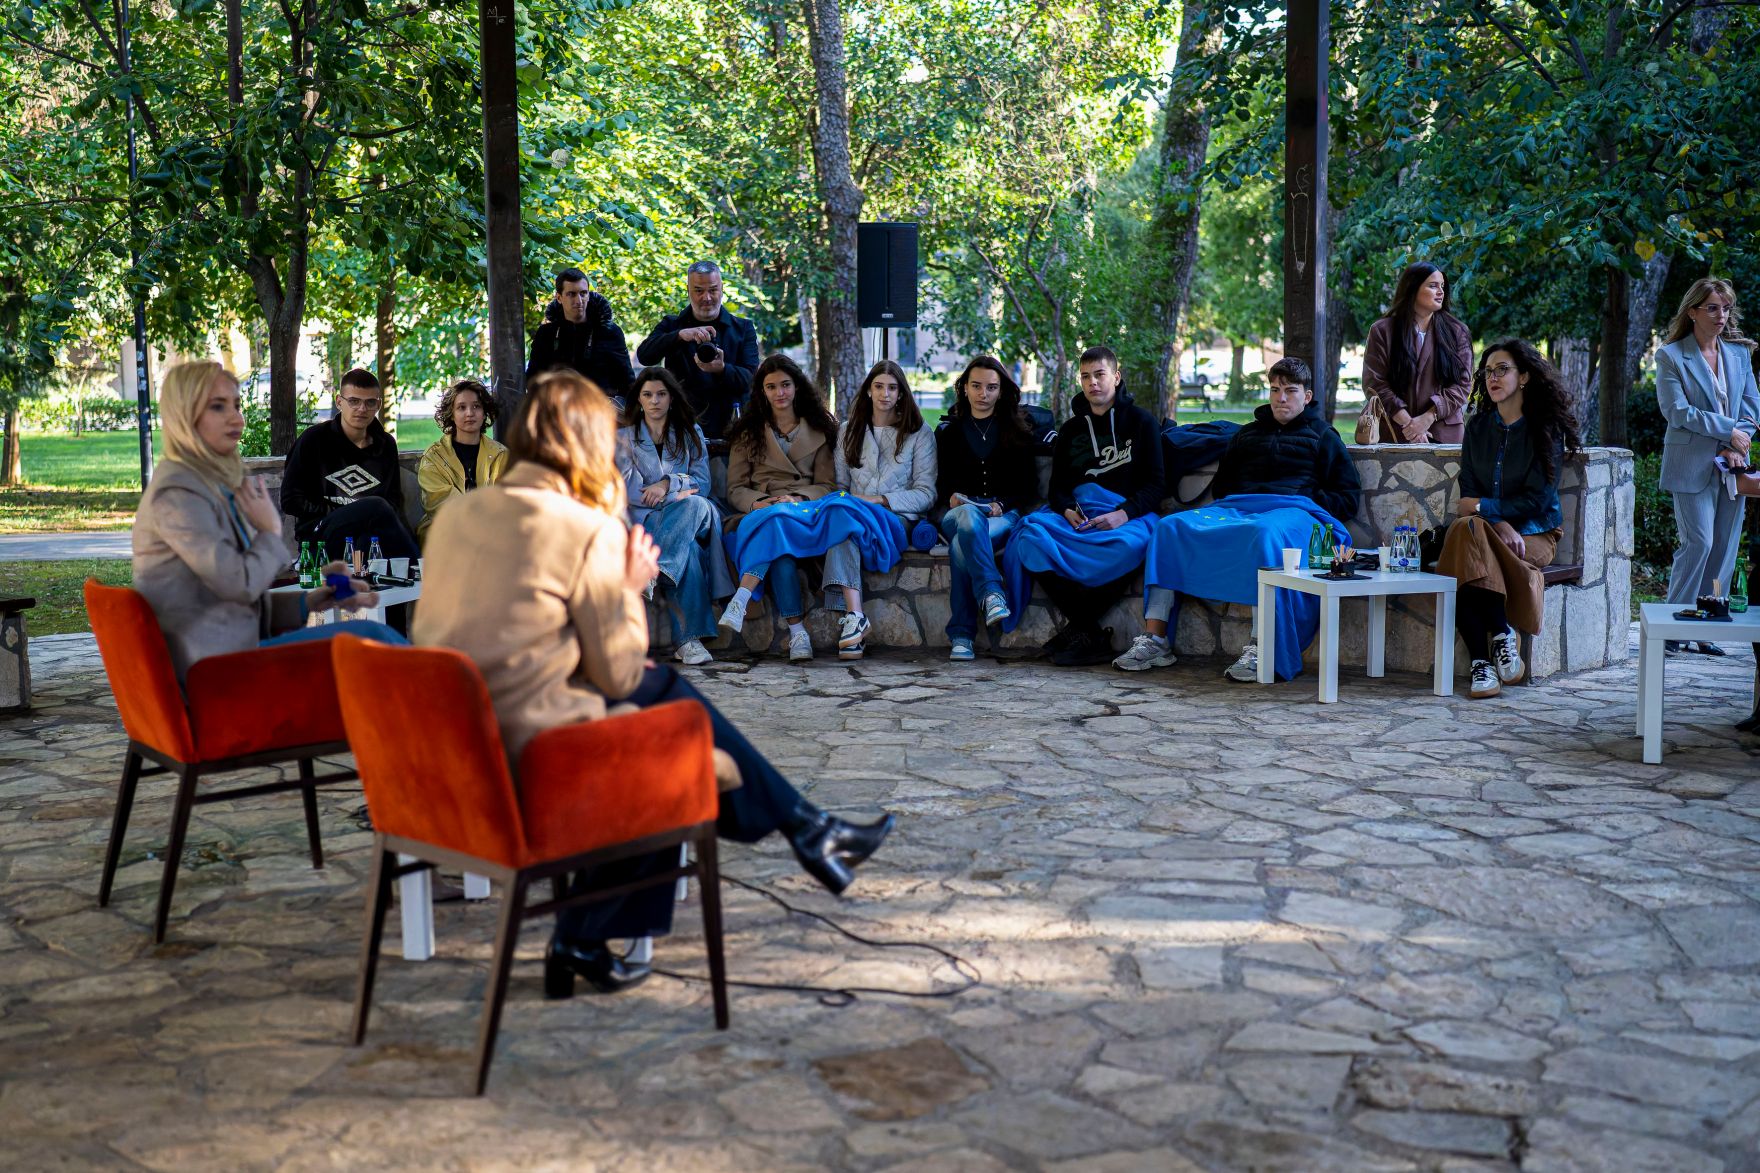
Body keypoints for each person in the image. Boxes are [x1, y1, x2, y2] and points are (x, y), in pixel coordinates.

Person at [415, 370, 893, 994]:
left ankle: (806, 830)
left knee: (668, 701)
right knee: (671, 729)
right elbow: (616, 668)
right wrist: (626, 583)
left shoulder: (459, 515)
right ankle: (795, 832)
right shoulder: (575, 526)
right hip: (531, 761)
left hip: (451, 751)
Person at [133, 361, 400, 681]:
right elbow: (240, 584)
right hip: (215, 673)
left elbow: (232, 604)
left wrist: (311, 601)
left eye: (236, 405)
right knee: (374, 640)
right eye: (218, 407)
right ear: (184, 416)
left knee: (375, 640)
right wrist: (270, 531)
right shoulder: (177, 494)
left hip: (233, 648)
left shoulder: (204, 484)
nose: (236, 418)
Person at [1116, 357, 1361, 681]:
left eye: (1290, 391)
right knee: (1168, 527)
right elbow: (1223, 487)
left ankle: (1263, 646)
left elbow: (1348, 497)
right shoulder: (1247, 435)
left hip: (1296, 514)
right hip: (1240, 508)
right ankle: (1156, 638)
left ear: (1308, 395)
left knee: (1264, 533)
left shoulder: (1324, 436)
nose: (1281, 398)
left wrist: (1306, 499)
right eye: (1275, 390)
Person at [717, 356, 904, 661]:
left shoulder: (819, 429)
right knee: (779, 552)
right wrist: (760, 502)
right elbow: (736, 488)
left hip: (806, 513)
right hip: (761, 512)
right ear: (762, 391)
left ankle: (742, 597)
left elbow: (828, 486)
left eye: (786, 385)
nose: (780, 393)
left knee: (786, 525)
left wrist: (798, 499)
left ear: (797, 387)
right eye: (772, 386)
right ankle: (798, 633)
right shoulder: (747, 433)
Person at [999, 346, 1165, 666]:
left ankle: (1080, 631)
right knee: (1029, 538)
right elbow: (1057, 488)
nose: (1093, 383)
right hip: (1079, 514)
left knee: (1136, 543)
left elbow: (1157, 485)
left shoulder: (1142, 422)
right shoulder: (1072, 429)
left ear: (1116, 377)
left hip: (1126, 513)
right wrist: (1067, 511)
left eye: (1100, 374)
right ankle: (1089, 632)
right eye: (1086, 376)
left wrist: (1123, 514)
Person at [1434, 340, 1580, 698]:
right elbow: (1467, 490)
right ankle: (1500, 636)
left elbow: (1538, 499)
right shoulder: (1479, 427)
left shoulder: (1543, 429)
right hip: (1491, 530)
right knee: (1470, 534)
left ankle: (1480, 663)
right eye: (1487, 372)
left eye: (1503, 370)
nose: (1493, 378)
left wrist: (1487, 512)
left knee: (1465, 546)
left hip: (1536, 532)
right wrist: (1496, 520)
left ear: (1525, 376)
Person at [1655, 277, 1760, 656]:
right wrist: (1729, 433)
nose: (1721, 315)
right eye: (1713, 307)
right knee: (1699, 542)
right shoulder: (1669, 356)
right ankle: (1671, 625)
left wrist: (1737, 442)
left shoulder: (1739, 355)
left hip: (1733, 464)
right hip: (1690, 463)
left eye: (1726, 308)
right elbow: (1677, 412)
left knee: (1725, 549)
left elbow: (1752, 409)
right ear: (1693, 311)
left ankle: (1708, 621)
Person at [616, 366, 731, 666]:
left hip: (692, 516)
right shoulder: (623, 439)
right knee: (689, 552)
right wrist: (672, 494)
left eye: (661, 394)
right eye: (648, 394)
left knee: (696, 506)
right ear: (638, 399)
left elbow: (702, 485)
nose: (655, 401)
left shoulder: (691, 434)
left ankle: (654, 571)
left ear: (671, 398)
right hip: (649, 521)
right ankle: (688, 641)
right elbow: (628, 491)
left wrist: (668, 484)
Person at [935, 356, 1039, 660]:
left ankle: (962, 635)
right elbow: (939, 485)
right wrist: (952, 497)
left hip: (1001, 515)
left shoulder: (1017, 430)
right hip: (958, 512)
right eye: (976, 386)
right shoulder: (950, 432)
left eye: (991, 387)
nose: (984, 393)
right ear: (964, 388)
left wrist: (1000, 504)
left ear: (1001, 390)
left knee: (960, 546)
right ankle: (992, 592)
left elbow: (1028, 487)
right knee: (966, 517)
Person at [831, 360, 938, 656]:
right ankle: (855, 618)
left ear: (902, 393)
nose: (885, 394)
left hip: (896, 521)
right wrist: (853, 503)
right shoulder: (847, 431)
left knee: (844, 526)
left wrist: (880, 500)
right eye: (878, 386)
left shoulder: (919, 433)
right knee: (843, 532)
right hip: (853, 519)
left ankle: (851, 619)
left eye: (892, 388)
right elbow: (839, 486)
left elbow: (926, 493)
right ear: (868, 390)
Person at [280, 368, 419, 561]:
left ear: (378, 405)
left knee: (367, 540)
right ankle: (421, 570)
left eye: (370, 402)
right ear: (339, 402)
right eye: (354, 401)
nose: (362, 409)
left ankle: (400, 581)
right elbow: (290, 500)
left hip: (369, 533)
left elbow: (393, 500)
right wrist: (343, 512)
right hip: (321, 533)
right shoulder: (314, 440)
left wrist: (365, 518)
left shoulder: (385, 445)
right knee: (376, 506)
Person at [634, 260, 760, 439]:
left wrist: (722, 370)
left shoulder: (743, 328)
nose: (706, 297)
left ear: (722, 288)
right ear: (688, 290)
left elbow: (751, 381)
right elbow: (645, 356)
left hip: (732, 431)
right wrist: (679, 336)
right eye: (699, 290)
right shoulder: (672, 325)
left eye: (713, 290)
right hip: (681, 429)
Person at [1362, 262, 1474, 443]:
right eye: (1433, 286)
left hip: (1444, 434)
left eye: (1442, 286)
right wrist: (1409, 424)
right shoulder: (1382, 331)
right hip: (1393, 432)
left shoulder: (1457, 332)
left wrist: (1427, 419)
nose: (1440, 292)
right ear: (1412, 289)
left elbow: (1462, 385)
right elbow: (1374, 383)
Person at [416, 379, 509, 546]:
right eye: (461, 407)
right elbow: (441, 505)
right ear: (451, 414)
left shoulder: (500, 455)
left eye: (476, 406)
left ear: (484, 412)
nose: (469, 413)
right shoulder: (434, 458)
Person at [524, 268, 634, 400]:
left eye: (583, 293)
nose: (579, 300)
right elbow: (533, 379)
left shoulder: (608, 331)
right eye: (571, 294)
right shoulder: (547, 333)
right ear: (559, 297)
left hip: (599, 411)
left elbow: (627, 381)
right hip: (557, 410)